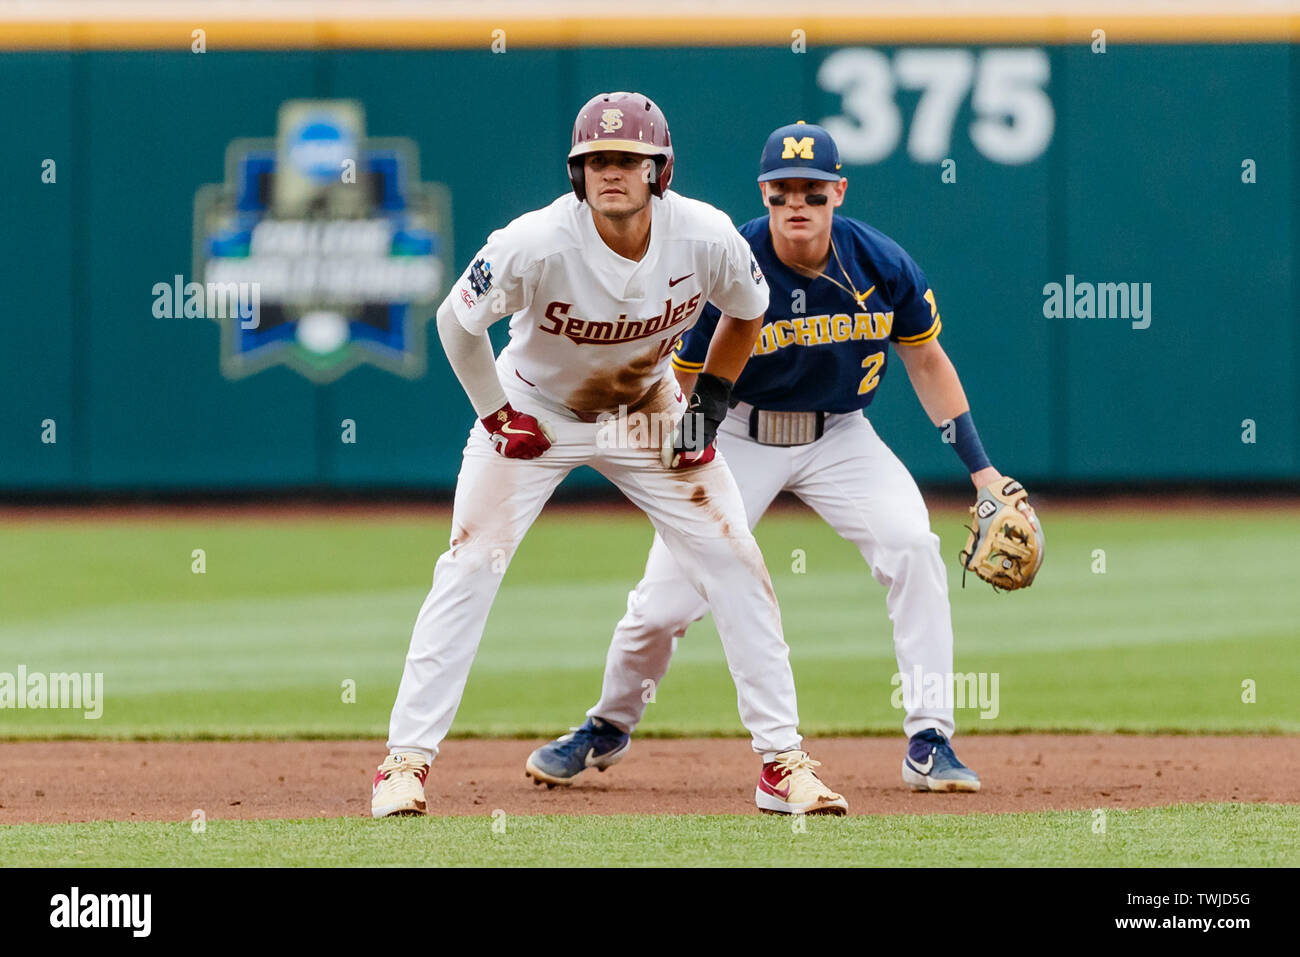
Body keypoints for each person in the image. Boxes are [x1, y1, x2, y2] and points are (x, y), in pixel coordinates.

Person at [372, 96, 847, 818]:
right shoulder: (534, 242)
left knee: (733, 556)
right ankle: (404, 763)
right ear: (576, 173)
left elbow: (748, 311)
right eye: (596, 161)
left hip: (647, 410)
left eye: (627, 160)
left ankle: (781, 763)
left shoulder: (705, 235)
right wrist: (496, 413)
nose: (611, 172)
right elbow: (454, 321)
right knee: (470, 562)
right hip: (534, 408)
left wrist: (711, 403)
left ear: (660, 170)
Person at [528, 121, 1019, 794]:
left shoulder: (882, 264)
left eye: (812, 192)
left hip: (840, 436)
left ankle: (930, 738)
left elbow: (927, 360)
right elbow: (687, 378)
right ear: (763, 194)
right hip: (733, 433)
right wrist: (684, 465)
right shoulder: (728, 260)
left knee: (912, 546)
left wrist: (982, 469)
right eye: (783, 191)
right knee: (665, 602)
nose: (797, 205)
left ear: (837, 192)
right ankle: (608, 723)